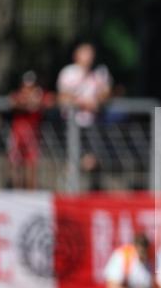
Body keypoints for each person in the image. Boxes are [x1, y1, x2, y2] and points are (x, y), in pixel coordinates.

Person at [57, 42, 112, 190]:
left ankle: (83, 186)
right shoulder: (68, 73)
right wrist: (82, 103)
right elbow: (62, 97)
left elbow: (105, 95)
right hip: (72, 123)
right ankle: (68, 187)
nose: (89, 57)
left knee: (92, 160)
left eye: (91, 53)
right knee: (73, 158)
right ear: (77, 55)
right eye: (86, 53)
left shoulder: (99, 73)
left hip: (91, 123)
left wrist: (99, 98)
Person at [8, 71, 48, 190]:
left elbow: (48, 100)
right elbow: (13, 101)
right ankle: (16, 191)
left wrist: (34, 102)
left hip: (32, 135)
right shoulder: (18, 95)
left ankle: (30, 192)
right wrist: (27, 103)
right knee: (15, 163)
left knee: (31, 164)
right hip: (18, 134)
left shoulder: (39, 94)